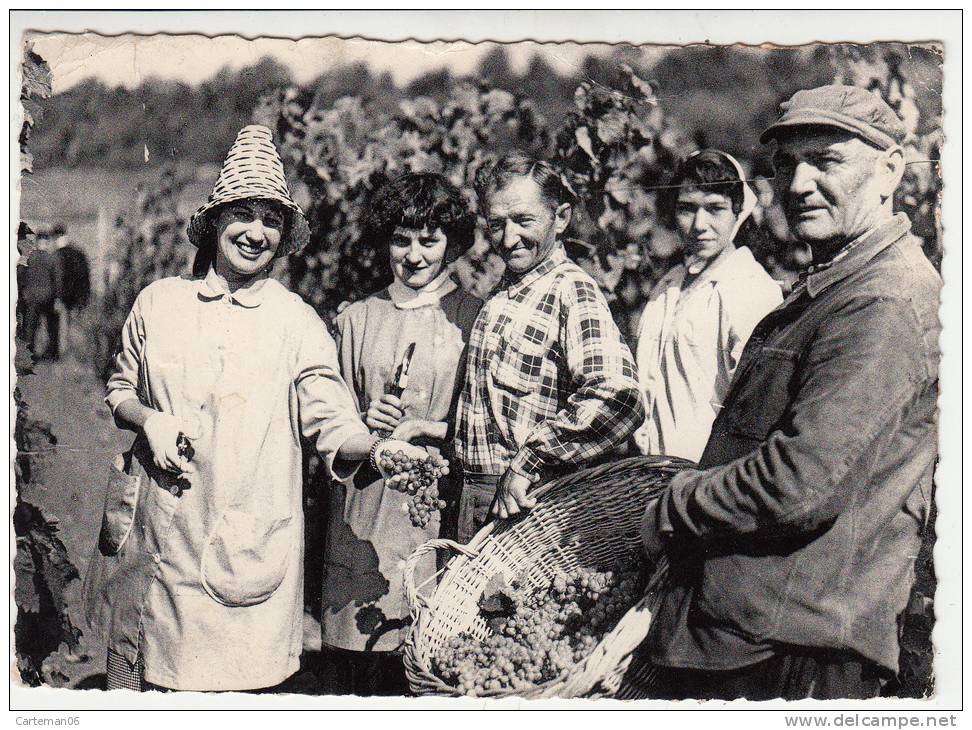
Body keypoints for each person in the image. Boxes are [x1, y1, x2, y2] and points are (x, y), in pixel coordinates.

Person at [83, 125, 424, 693]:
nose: (256, 232)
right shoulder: (159, 303)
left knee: (228, 692)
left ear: (284, 235)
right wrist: (152, 420)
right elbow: (120, 388)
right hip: (153, 542)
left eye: (271, 220)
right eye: (245, 213)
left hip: (241, 546)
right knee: (140, 680)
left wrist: (377, 447)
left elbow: (331, 415)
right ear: (216, 221)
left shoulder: (294, 322)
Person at [641, 85, 941, 700]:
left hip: (793, 652)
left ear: (889, 171)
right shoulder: (838, 282)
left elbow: (799, 483)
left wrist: (675, 506)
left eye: (826, 161)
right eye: (785, 165)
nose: (799, 184)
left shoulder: (881, 302)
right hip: (754, 634)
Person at [320, 172, 482, 695]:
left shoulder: (474, 317)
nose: (414, 255)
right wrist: (366, 427)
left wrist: (429, 428)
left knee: (425, 661)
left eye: (429, 240)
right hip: (363, 514)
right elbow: (330, 421)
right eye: (401, 239)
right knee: (357, 669)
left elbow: (484, 424)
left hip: (436, 515)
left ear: (452, 244)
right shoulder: (356, 319)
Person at [455, 151, 644, 541]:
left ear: (560, 218)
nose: (508, 239)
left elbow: (620, 397)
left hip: (525, 506)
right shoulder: (502, 295)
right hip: (474, 498)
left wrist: (529, 462)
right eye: (496, 225)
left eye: (524, 221)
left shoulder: (570, 290)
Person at [634, 150, 782, 461]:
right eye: (687, 209)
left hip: (709, 482)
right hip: (652, 478)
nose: (699, 224)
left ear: (737, 212)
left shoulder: (749, 289)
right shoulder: (669, 284)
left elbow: (757, 411)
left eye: (715, 208)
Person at [17, 226, 63, 360]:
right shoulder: (53, 258)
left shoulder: (29, 258)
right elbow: (58, 280)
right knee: (52, 328)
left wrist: (22, 295)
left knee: (30, 328)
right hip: (48, 297)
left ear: (37, 242)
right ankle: (53, 354)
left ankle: (30, 355)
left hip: (30, 297)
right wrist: (57, 298)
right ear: (47, 242)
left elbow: (21, 277)